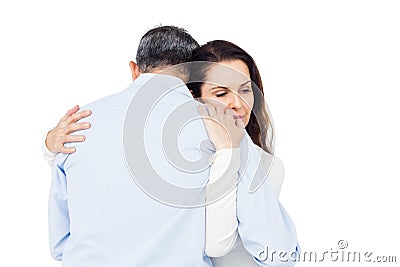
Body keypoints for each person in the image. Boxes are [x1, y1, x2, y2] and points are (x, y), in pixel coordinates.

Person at [46, 27, 298, 266]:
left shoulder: (76, 126)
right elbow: (277, 254)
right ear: (193, 77)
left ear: (134, 69)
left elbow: (59, 245)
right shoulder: (221, 127)